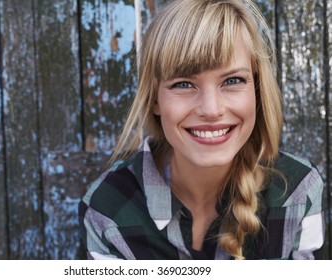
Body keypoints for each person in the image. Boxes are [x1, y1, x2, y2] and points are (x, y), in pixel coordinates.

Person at [79, 0, 325, 260]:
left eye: (232, 80)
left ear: (256, 90)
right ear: (154, 99)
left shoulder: (297, 191)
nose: (211, 109)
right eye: (183, 84)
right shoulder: (108, 208)